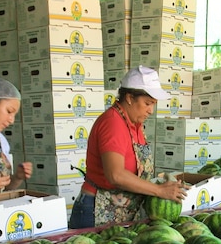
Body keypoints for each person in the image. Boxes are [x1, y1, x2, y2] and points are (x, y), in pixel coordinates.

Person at [68, 65, 187, 229]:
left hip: (121, 213)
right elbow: (115, 175)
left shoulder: (134, 124)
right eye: (147, 103)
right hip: (95, 211)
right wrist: (158, 191)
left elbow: (136, 172)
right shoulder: (113, 123)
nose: (151, 110)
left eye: (153, 104)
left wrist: (167, 182)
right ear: (130, 98)